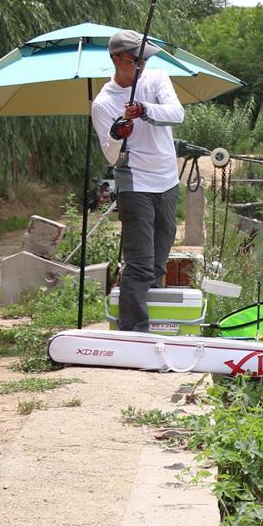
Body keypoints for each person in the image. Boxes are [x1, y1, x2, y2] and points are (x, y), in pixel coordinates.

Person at [90, 29, 185, 332]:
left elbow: (176, 113)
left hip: (168, 182)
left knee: (157, 263)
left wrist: (145, 111)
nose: (142, 65)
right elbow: (109, 154)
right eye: (136, 59)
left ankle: (153, 325)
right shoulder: (103, 103)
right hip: (135, 185)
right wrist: (118, 134)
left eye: (145, 59)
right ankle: (132, 333)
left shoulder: (156, 79)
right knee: (140, 263)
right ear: (118, 60)